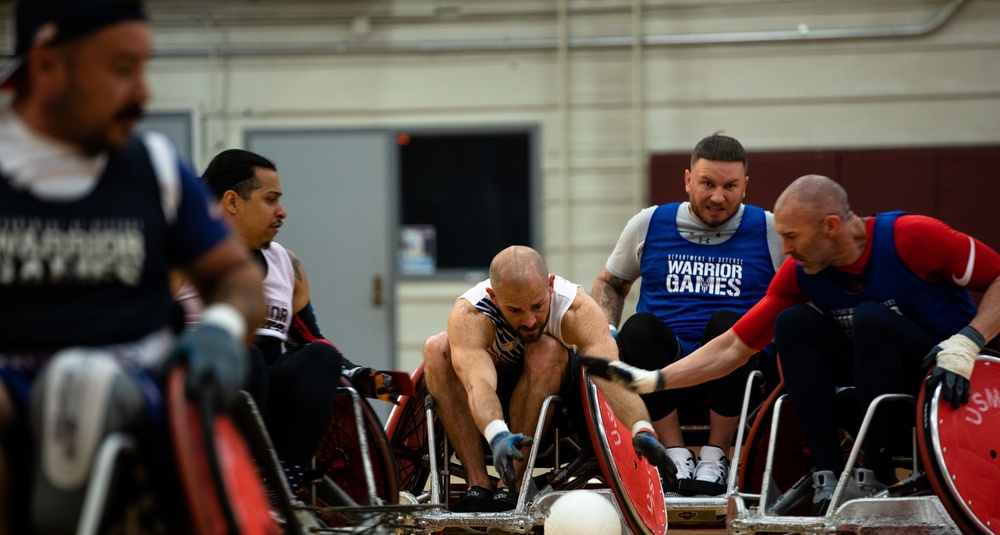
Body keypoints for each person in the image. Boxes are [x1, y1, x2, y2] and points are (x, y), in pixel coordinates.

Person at [0, 0, 264, 535]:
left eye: (144, 67)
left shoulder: (152, 167)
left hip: (139, 391)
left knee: (86, 380)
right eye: (122, 69)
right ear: (47, 66)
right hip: (13, 392)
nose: (142, 92)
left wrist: (223, 337)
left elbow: (236, 279)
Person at [583, 174, 1000, 513]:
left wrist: (970, 341)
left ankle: (874, 471)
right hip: (872, 378)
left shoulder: (913, 236)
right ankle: (829, 474)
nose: (784, 249)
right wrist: (654, 381)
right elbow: (733, 347)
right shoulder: (802, 272)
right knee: (794, 322)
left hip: (948, 373)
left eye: (792, 236)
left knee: (872, 318)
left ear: (830, 227)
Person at [176, 148, 401, 495]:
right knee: (244, 353)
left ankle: (288, 477)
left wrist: (355, 373)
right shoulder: (184, 257)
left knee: (319, 357)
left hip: (269, 403)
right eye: (270, 200)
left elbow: (310, 338)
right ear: (233, 201)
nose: (282, 212)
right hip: (204, 399)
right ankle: (236, 468)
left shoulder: (286, 263)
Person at [591, 133, 782, 496]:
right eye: (707, 183)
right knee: (638, 328)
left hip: (743, 379)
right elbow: (611, 284)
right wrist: (606, 332)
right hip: (665, 374)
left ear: (745, 186)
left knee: (729, 325)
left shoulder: (770, 229)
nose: (717, 197)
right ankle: (675, 455)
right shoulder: (647, 224)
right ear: (687, 180)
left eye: (730, 186)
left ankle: (716, 457)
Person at [423, 245, 677, 513]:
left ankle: (513, 483)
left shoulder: (577, 309)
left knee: (543, 348)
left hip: (558, 395)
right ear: (493, 298)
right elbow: (479, 384)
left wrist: (640, 426)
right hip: (491, 395)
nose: (530, 321)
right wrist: (496, 433)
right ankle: (479, 482)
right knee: (436, 347)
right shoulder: (471, 314)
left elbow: (609, 374)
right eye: (515, 311)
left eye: (537, 305)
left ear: (550, 286)